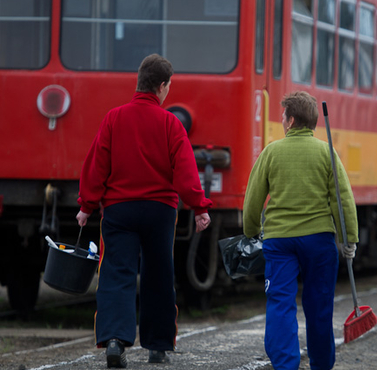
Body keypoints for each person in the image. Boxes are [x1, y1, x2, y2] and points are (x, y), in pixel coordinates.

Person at [76, 54, 212, 368]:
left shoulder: (114, 118)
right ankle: (158, 346)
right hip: (160, 211)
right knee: (159, 275)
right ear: (162, 86)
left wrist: (87, 205)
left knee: (116, 273)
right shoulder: (171, 123)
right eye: (169, 87)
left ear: (139, 82)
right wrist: (200, 207)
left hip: (119, 210)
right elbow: (186, 173)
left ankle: (114, 340)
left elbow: (97, 165)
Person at [243, 91, 358, 370]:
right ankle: (321, 364)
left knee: (280, 302)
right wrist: (349, 240)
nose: (282, 121)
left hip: (279, 242)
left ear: (291, 120)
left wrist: (251, 230)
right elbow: (342, 199)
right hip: (319, 241)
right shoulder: (326, 152)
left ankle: (286, 365)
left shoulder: (271, 152)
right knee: (319, 306)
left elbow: (253, 199)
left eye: (283, 116)